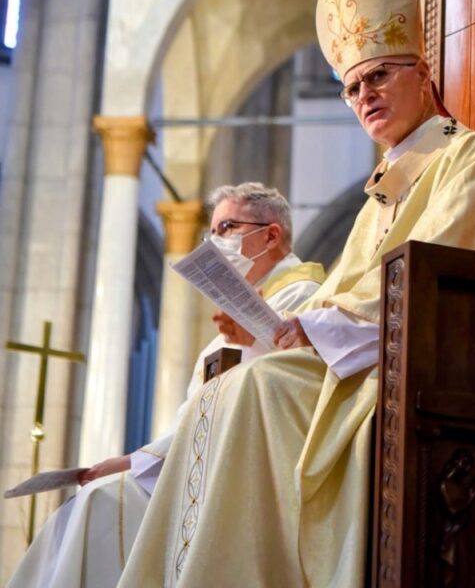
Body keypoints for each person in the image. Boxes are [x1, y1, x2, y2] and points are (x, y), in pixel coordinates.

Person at [117, 0, 475, 588]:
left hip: (426, 367)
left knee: (257, 390)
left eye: (378, 76)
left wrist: (308, 328)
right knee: (229, 388)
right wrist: (273, 330)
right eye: (351, 88)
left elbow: (434, 277)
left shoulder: (467, 158)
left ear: (422, 76)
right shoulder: (381, 196)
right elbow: (341, 293)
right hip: (370, 358)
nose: (365, 95)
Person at [8, 183, 324, 588]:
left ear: (271, 235)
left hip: (251, 482)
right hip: (201, 475)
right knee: (87, 503)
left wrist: (256, 341)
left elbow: (301, 389)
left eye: (227, 227)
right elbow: (192, 423)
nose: (216, 242)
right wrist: (126, 461)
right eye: (212, 232)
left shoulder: (309, 298)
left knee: (101, 506)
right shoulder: (223, 330)